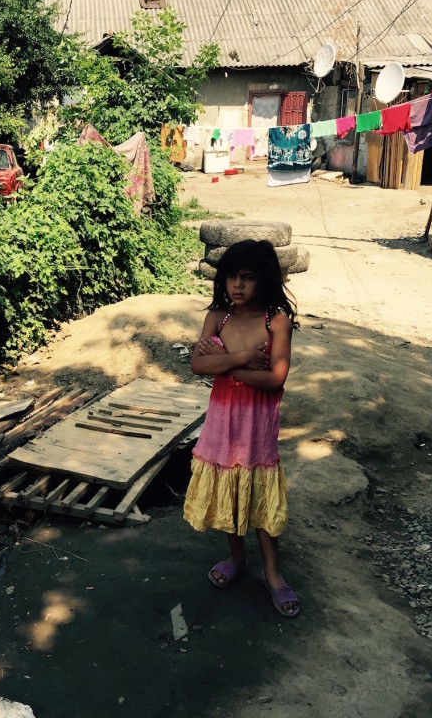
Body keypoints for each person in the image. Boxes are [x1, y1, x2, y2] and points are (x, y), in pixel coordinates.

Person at [184, 239, 300, 618]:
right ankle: (237, 558)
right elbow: (198, 366)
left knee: (261, 502)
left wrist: (227, 364)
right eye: (232, 276)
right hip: (222, 423)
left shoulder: (275, 322)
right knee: (229, 493)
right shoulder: (219, 317)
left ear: (264, 280)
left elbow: (276, 380)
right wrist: (245, 359)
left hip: (256, 426)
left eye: (248, 277)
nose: (238, 285)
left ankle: (273, 574)